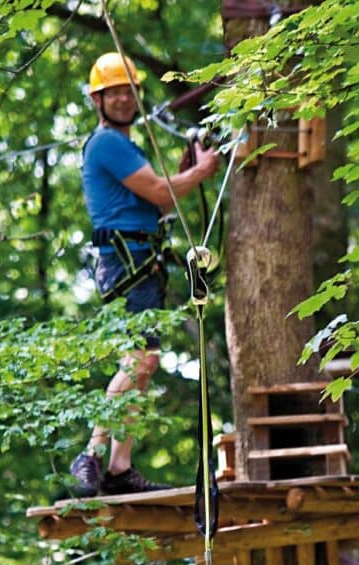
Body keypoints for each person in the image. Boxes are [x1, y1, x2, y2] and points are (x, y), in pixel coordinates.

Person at [69, 52, 220, 498]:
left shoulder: (127, 146)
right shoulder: (107, 144)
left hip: (139, 264)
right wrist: (202, 170)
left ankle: (118, 465)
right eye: (111, 92)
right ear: (97, 100)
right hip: (126, 264)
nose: (121, 99)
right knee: (140, 362)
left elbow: (161, 201)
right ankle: (93, 453)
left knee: (142, 366)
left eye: (127, 91)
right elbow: (158, 192)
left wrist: (185, 171)